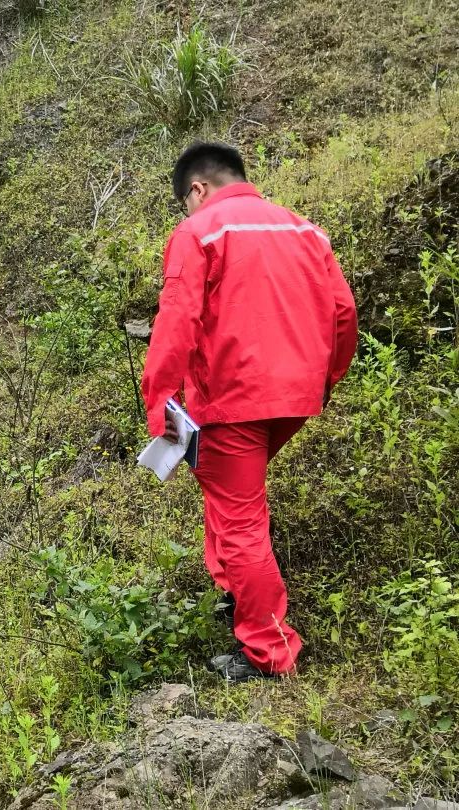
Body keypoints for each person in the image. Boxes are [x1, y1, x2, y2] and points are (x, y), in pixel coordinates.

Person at [140, 142, 358, 682]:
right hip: (295, 397)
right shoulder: (304, 229)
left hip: (233, 399)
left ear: (197, 189)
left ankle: (270, 650)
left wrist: (159, 403)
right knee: (226, 491)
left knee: (240, 521)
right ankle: (233, 589)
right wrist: (324, 381)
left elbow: (176, 323)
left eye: (186, 202)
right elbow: (343, 314)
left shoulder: (200, 231)